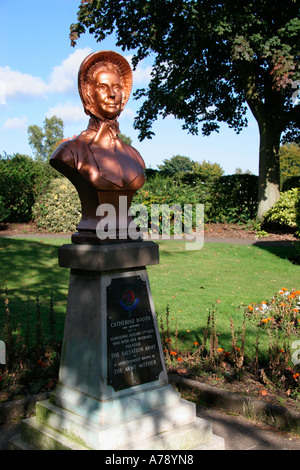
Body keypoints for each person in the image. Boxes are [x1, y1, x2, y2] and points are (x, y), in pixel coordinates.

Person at [50, 51, 145, 243]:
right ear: (88, 94)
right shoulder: (70, 152)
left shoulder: (134, 156)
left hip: (127, 234)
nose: (112, 94)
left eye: (117, 87)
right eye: (103, 87)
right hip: (93, 232)